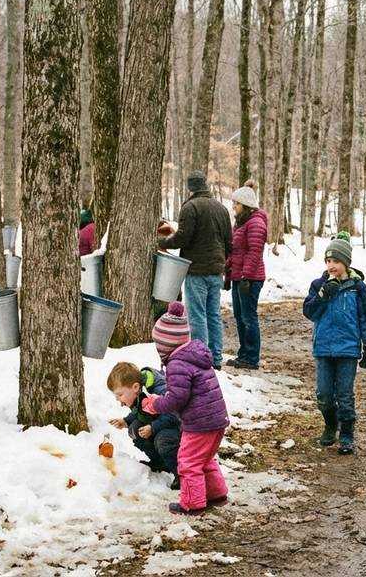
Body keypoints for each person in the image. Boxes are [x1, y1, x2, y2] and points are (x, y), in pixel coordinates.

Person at [303, 238, 366, 455]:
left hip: (348, 349)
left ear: (346, 262)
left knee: (344, 394)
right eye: (328, 261)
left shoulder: (357, 287)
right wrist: (324, 294)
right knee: (324, 395)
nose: (331, 265)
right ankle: (330, 424)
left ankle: (346, 434)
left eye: (335, 261)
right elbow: (309, 312)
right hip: (324, 349)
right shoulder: (318, 285)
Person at [141, 337, 230, 515]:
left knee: (188, 462)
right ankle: (216, 493)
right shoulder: (195, 357)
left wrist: (155, 404)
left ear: (165, 344)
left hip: (199, 423)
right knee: (204, 459)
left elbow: (176, 399)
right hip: (216, 418)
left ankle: (192, 504)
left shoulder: (177, 364)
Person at [158, 170, 233, 369]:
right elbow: (229, 242)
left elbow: (183, 238)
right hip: (216, 270)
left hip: (196, 270)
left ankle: (201, 358)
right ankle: (216, 357)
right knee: (213, 315)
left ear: (190, 187)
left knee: (197, 315)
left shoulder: (190, 207)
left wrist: (162, 242)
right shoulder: (221, 208)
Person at [108, 361, 181, 489]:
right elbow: (141, 411)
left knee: (162, 440)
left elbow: (173, 415)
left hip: (179, 427)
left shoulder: (159, 391)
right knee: (135, 429)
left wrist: (153, 427)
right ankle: (160, 462)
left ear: (135, 387)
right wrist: (126, 421)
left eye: (120, 395)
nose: (119, 400)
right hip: (160, 423)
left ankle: (181, 473)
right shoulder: (139, 393)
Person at [225, 181, 267, 370]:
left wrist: (246, 276)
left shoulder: (256, 223)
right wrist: (228, 267)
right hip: (239, 277)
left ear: (246, 205)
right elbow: (236, 250)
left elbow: (254, 252)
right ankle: (244, 354)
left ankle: (251, 357)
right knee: (240, 316)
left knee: (249, 317)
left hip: (250, 278)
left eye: (236, 203)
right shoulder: (241, 222)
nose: (234, 206)